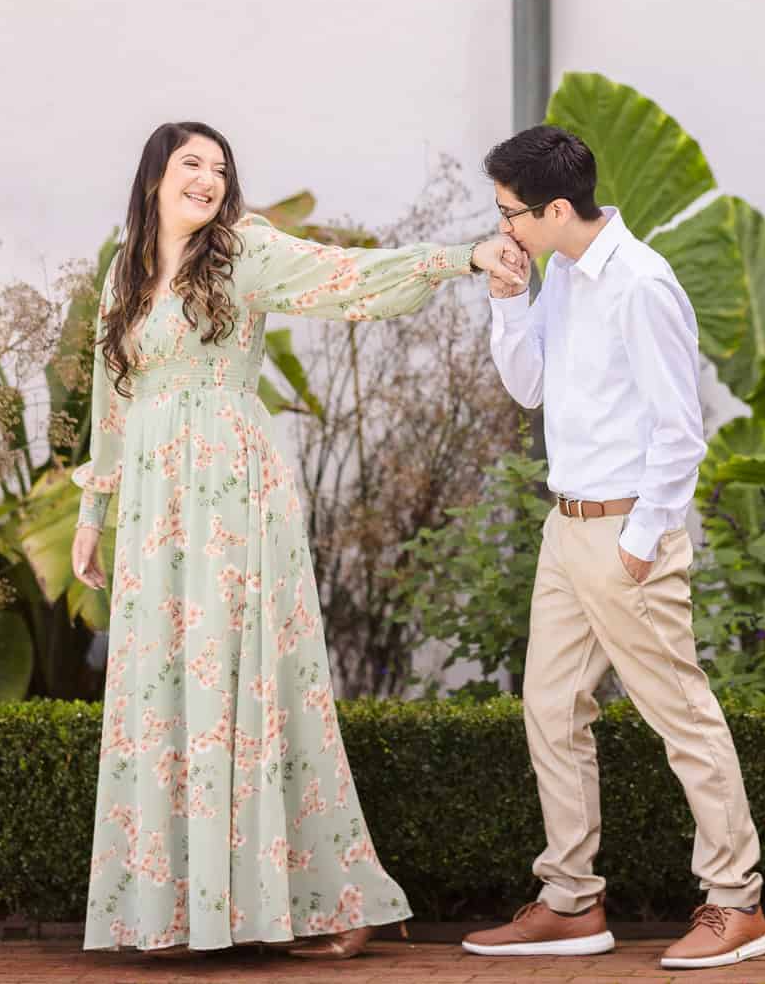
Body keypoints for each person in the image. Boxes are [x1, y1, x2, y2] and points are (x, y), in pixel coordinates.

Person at [69, 121, 523, 959]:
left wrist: (459, 257)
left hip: (232, 492)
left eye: (218, 167)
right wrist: (92, 516)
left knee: (254, 682)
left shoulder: (243, 250)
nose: (207, 179)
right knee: (166, 688)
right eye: (189, 164)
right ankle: (180, 907)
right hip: (154, 504)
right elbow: (111, 397)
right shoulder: (125, 274)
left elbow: (344, 276)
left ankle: (338, 903)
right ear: (153, 180)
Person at [463, 124, 765, 970]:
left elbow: (681, 429)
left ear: (556, 207)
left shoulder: (641, 284)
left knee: (683, 718)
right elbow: (529, 386)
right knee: (551, 712)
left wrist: (641, 541)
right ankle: (570, 901)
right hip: (566, 531)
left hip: (629, 532)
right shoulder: (559, 275)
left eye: (511, 215)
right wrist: (505, 297)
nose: (504, 231)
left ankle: (736, 903)